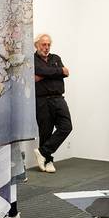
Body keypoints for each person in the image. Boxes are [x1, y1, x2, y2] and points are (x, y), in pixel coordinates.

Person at [33, 34, 72, 174]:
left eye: (48, 44)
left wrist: (46, 74)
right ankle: (48, 160)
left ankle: (42, 152)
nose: (46, 47)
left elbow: (66, 73)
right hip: (42, 100)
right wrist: (58, 72)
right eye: (43, 44)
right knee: (45, 131)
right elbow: (39, 71)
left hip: (58, 98)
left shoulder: (56, 58)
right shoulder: (32, 59)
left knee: (66, 126)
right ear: (37, 45)